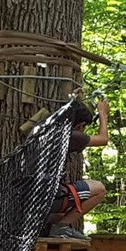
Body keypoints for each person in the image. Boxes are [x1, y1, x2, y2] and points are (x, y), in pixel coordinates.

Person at [47, 96, 109, 241]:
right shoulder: (70, 136)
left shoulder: (45, 130)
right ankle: (61, 227)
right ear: (79, 124)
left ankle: (52, 223)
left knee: (61, 213)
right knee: (99, 189)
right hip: (51, 197)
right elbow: (103, 139)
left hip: (31, 195)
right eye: (84, 127)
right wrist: (103, 114)